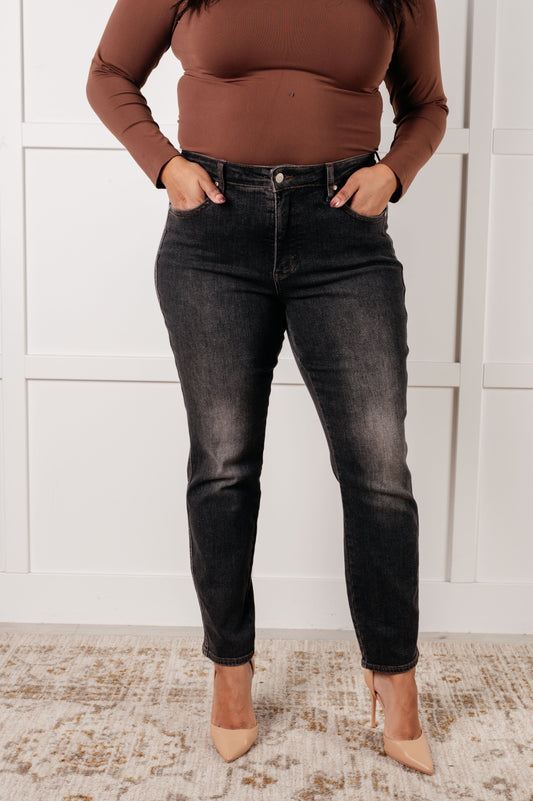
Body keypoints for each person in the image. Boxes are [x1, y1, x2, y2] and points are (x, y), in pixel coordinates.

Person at [86, 0, 448, 773]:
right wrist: (165, 165)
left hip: (344, 236)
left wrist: (392, 173)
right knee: (223, 464)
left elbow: (426, 105)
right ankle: (230, 668)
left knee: (379, 469)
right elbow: (109, 73)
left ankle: (394, 675)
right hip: (212, 234)